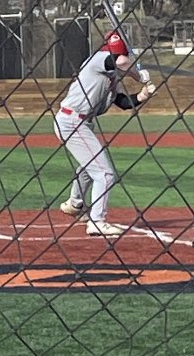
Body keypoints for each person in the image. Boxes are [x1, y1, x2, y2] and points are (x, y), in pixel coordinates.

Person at [54, 30, 157, 238]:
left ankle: (74, 203)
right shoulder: (97, 59)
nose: (119, 57)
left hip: (80, 123)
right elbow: (117, 62)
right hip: (72, 121)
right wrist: (137, 74)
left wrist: (144, 94)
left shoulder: (111, 78)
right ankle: (97, 221)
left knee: (88, 167)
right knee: (105, 173)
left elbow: (123, 102)